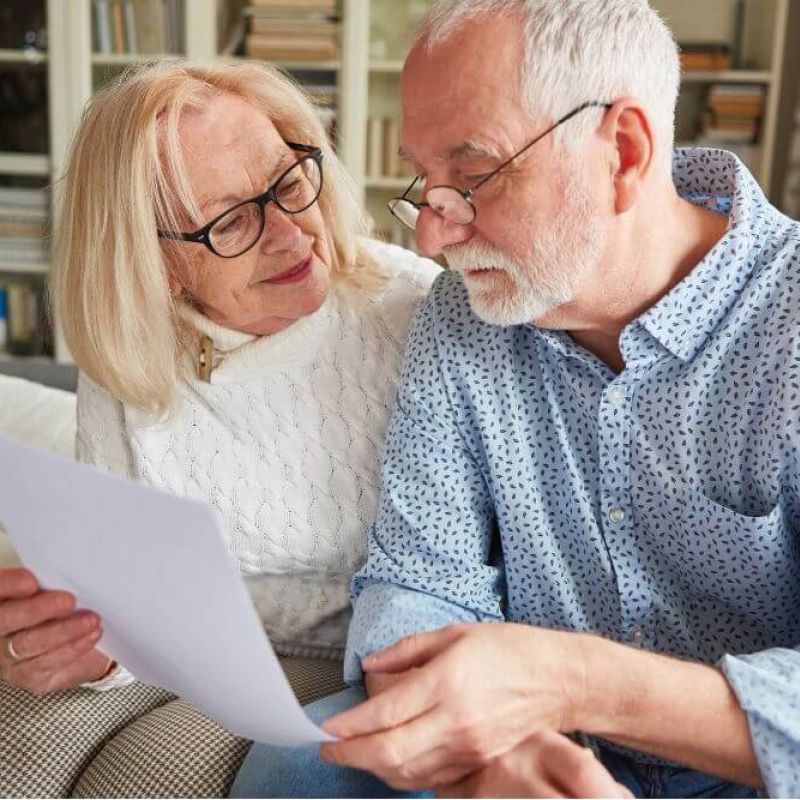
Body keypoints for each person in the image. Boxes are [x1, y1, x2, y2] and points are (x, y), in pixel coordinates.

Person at [232, 1, 800, 798]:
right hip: (525, 747)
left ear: (624, 152)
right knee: (296, 772)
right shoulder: (463, 315)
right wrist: (485, 754)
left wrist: (578, 682)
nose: (432, 237)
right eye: (427, 184)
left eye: (473, 177)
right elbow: (416, 584)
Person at [0, 60, 439, 701]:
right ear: (155, 261)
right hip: (242, 679)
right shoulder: (132, 363)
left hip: (409, 661)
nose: (292, 234)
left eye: (288, 183)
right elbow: (127, 607)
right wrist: (83, 650)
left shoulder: (415, 308)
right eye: (230, 222)